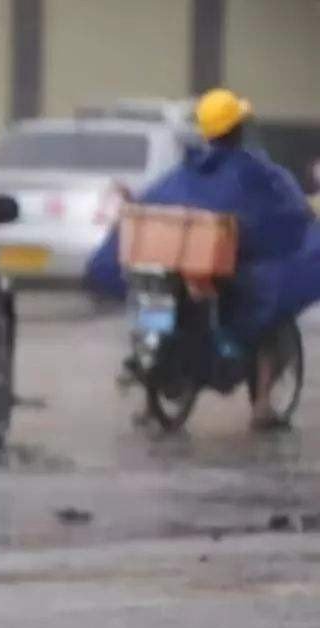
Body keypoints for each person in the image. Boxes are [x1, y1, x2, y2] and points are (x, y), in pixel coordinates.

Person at [87, 88, 320, 427]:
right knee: (272, 313)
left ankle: (150, 396)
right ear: (240, 127)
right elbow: (286, 214)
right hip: (226, 268)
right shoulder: (255, 172)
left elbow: (156, 201)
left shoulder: (188, 170)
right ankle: (263, 405)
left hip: (180, 265)